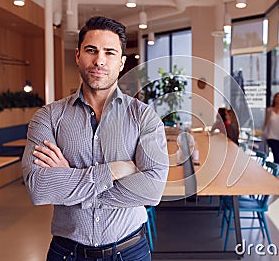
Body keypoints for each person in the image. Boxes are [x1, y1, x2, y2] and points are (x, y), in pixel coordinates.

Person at [22, 16, 169, 261]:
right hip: (67, 252)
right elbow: (39, 188)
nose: (99, 60)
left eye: (109, 53)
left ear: (121, 62)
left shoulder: (144, 117)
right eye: (92, 50)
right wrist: (113, 171)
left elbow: (152, 190)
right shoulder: (48, 117)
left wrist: (70, 179)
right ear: (78, 55)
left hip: (130, 251)